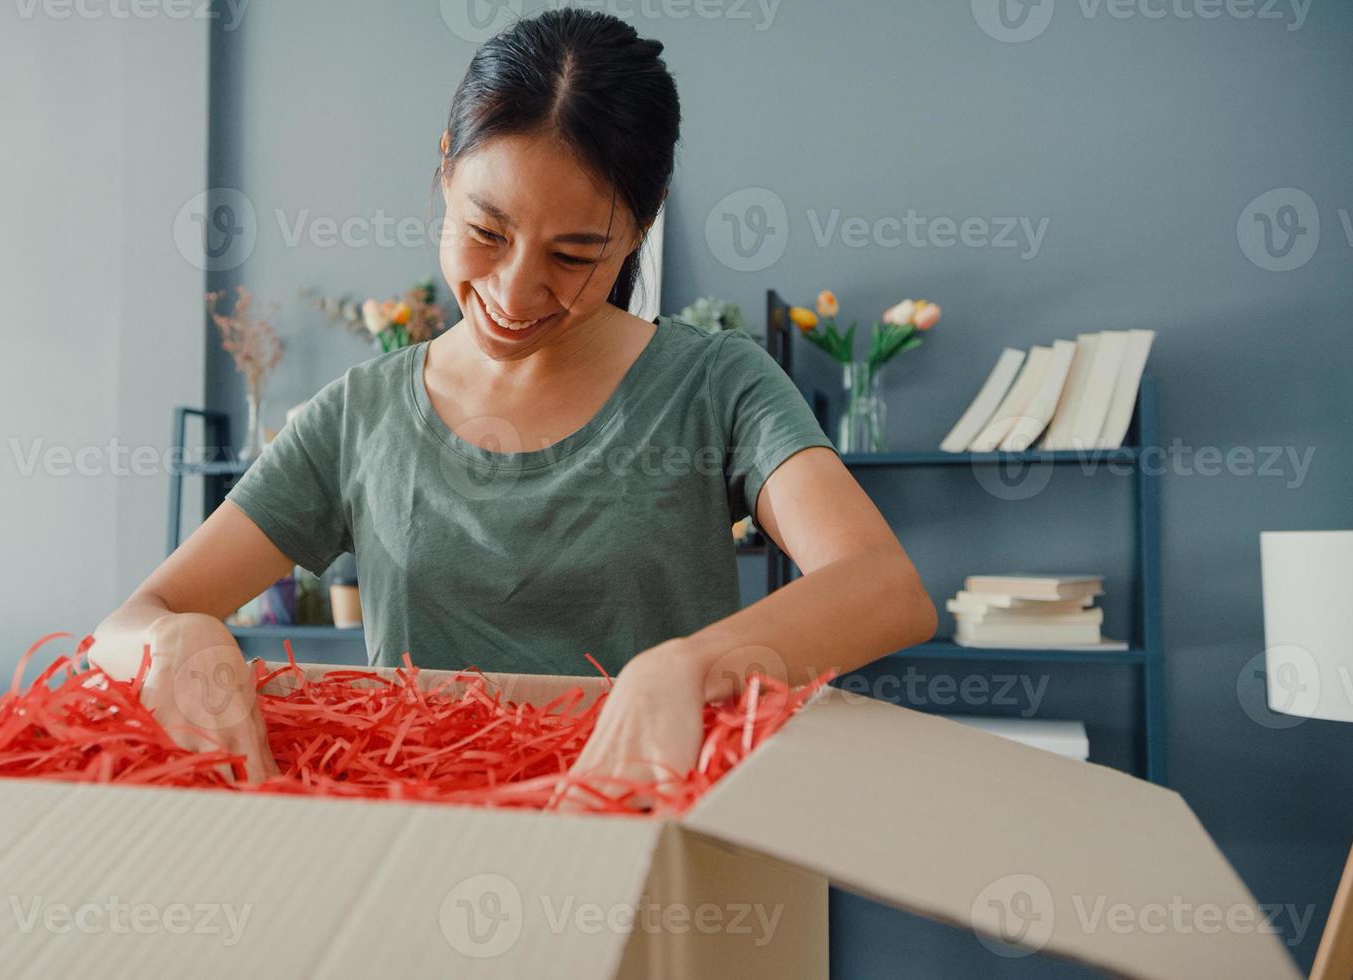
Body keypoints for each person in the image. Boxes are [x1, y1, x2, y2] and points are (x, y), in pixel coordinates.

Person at [91, 9, 934, 798]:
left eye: (574, 254)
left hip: (646, 840)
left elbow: (883, 586)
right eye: (486, 233)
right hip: (418, 851)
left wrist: (693, 665)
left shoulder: (716, 383)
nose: (514, 290)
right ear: (445, 167)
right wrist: (174, 639)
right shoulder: (361, 412)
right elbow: (123, 627)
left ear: (641, 228)